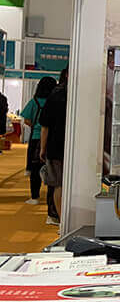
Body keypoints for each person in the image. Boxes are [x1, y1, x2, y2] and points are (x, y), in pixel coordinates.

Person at [21, 77, 57, 206]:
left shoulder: (34, 102)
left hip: (36, 138)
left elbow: (26, 120)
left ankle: (35, 197)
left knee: (35, 168)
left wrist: (36, 127)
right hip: (52, 138)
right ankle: (52, 200)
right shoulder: (55, 101)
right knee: (53, 169)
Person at [39, 68, 68, 225]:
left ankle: (62, 220)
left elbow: (45, 125)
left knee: (58, 184)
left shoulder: (55, 95)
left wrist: (42, 148)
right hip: (77, 148)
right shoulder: (83, 93)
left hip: (55, 146)